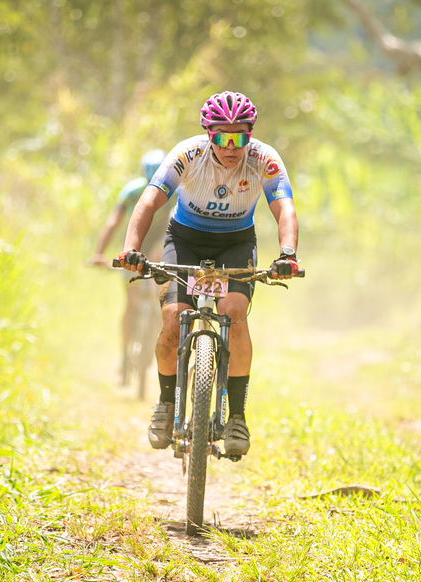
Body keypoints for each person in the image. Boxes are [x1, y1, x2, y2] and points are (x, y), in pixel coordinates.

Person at [118, 91, 300, 457]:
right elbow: (149, 201)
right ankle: (165, 405)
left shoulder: (264, 159)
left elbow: (285, 209)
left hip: (235, 244)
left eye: (239, 138)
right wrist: (132, 249)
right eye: (222, 137)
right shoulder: (187, 154)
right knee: (173, 320)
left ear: (250, 136)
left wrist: (288, 254)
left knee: (234, 313)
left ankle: (237, 418)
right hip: (185, 240)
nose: (231, 147)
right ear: (208, 134)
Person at [92, 149, 169, 383]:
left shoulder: (176, 193)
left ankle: (153, 345)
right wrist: (99, 253)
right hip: (134, 248)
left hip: (161, 245)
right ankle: (125, 356)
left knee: (160, 298)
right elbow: (113, 222)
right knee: (131, 302)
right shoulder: (132, 191)